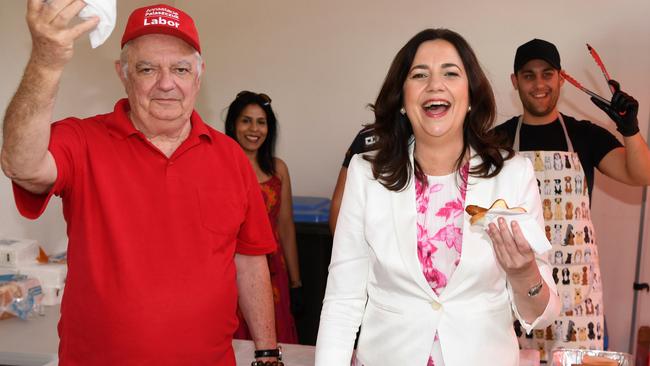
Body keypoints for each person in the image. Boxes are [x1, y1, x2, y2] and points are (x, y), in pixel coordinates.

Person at [1, 2, 282, 365]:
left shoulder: (230, 158)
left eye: (180, 68)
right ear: (123, 73)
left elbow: (249, 261)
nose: (166, 83)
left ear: (199, 74)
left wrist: (266, 352)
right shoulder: (83, 140)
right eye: (147, 69)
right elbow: (20, 163)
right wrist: (47, 61)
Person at [315, 28, 560, 366]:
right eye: (419, 75)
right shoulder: (366, 173)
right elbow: (343, 300)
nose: (435, 85)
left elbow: (542, 315)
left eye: (450, 73)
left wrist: (524, 275)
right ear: (402, 97)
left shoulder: (512, 174)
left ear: (470, 93)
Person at [495, 38, 650, 361]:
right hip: (520, 293)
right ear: (515, 81)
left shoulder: (586, 135)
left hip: (578, 296)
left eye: (547, 74)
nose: (539, 84)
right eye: (528, 75)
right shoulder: (497, 141)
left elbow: (641, 174)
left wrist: (630, 129)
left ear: (561, 78)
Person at [224, 90, 303, 344]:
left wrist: (296, 281)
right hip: (231, 269)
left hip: (273, 270)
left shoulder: (278, 169)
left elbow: (285, 226)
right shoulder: (220, 166)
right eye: (246, 120)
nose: (254, 129)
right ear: (233, 124)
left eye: (261, 122)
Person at [328, 126, 377, 234]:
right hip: (365, 236)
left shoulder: (413, 134)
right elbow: (338, 203)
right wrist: (342, 247)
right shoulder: (365, 137)